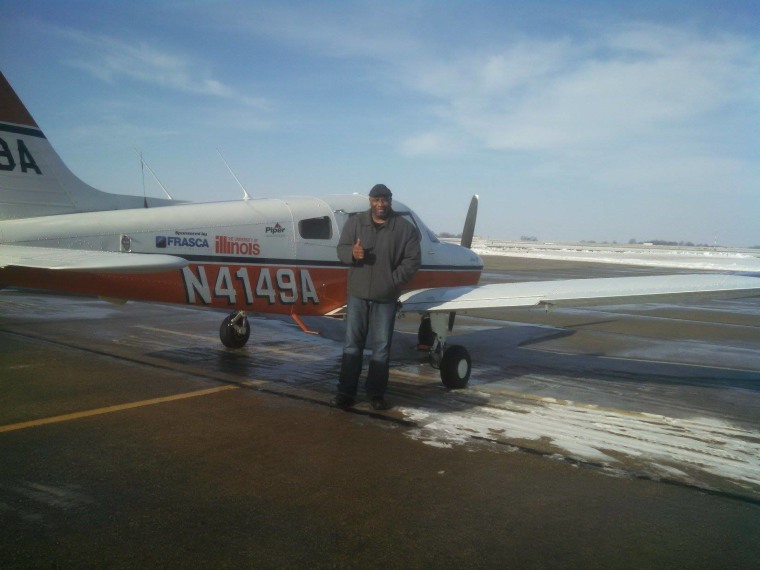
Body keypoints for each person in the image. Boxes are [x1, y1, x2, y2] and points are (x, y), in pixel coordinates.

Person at [333, 183, 421, 410]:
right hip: (358, 295)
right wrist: (352, 253)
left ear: (390, 201)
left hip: (386, 297)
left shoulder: (404, 229)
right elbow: (341, 249)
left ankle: (376, 394)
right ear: (370, 201)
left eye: (385, 200)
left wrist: (393, 280)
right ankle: (345, 393)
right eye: (376, 200)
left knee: (381, 347)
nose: (380, 204)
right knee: (352, 346)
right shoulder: (355, 223)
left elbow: (412, 261)